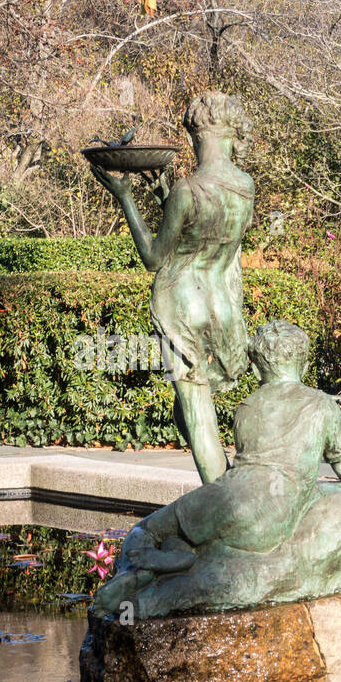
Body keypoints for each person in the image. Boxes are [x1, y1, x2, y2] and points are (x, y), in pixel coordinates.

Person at [93, 320, 341, 619]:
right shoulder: (321, 405)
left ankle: (145, 569)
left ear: (254, 368)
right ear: (305, 367)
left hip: (223, 496)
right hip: (269, 512)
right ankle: (160, 586)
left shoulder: (248, 406)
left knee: (146, 530)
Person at [89, 92, 254, 482]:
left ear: (196, 138)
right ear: (232, 137)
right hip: (221, 305)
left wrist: (126, 199)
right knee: (191, 411)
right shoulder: (244, 187)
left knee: (196, 416)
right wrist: (166, 199)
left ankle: (221, 509)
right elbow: (206, 235)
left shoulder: (187, 189)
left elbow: (153, 258)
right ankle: (224, 486)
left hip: (183, 306)